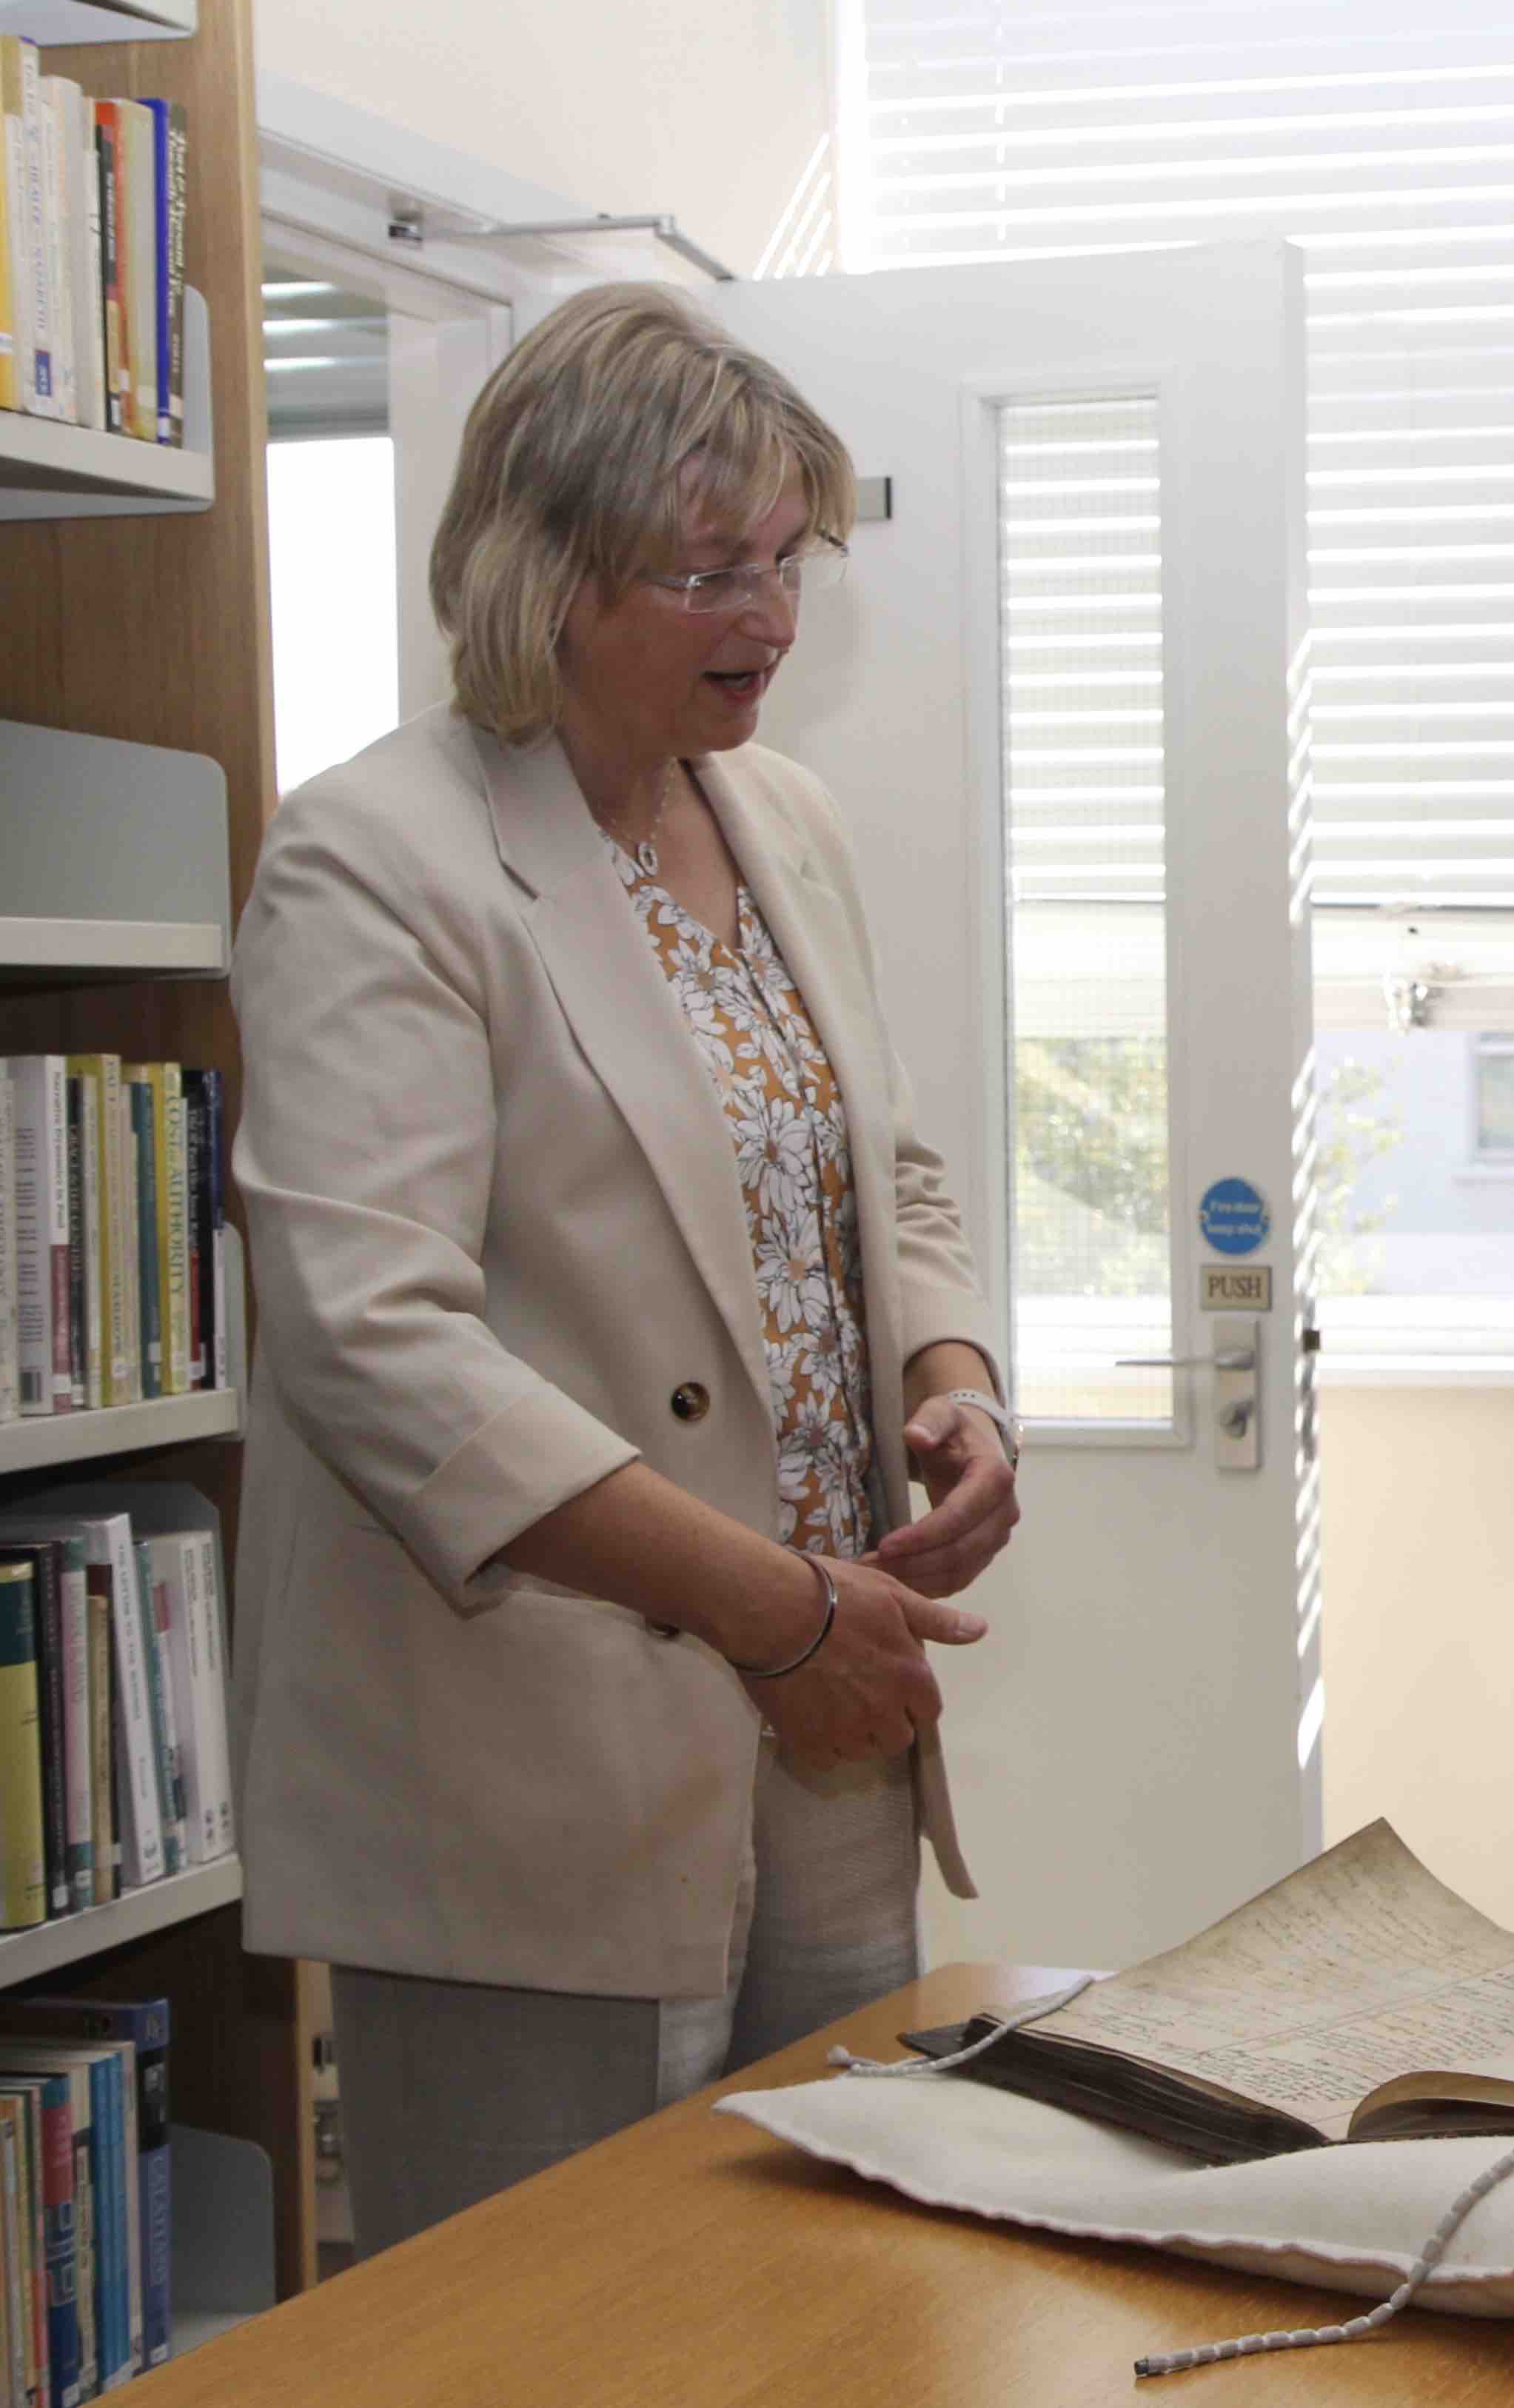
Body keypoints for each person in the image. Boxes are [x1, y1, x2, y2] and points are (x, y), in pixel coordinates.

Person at [230, 284, 1022, 2252]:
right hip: (537, 1760)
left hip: (824, 1730)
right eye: (704, 568)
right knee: (559, 2334)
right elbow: (376, 1341)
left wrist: (952, 1383)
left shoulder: (785, 819)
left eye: (782, 562)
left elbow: (883, 1166)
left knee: (840, 2312)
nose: (765, 616)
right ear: (552, 570)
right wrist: (771, 1610)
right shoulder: (376, 860)